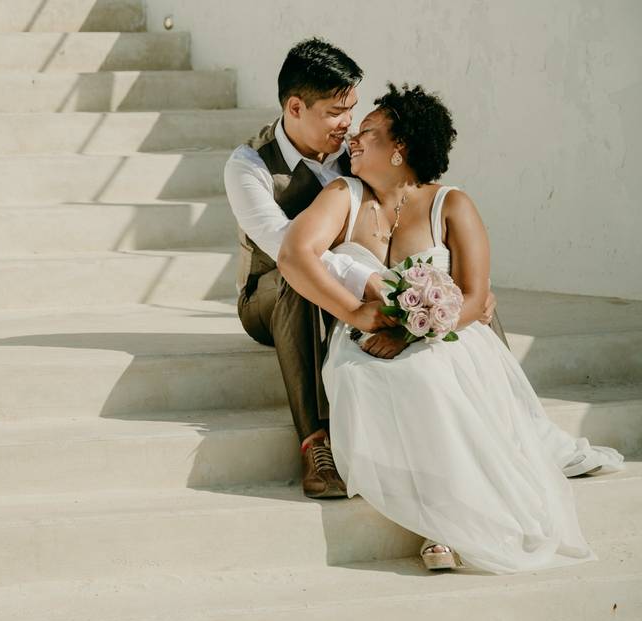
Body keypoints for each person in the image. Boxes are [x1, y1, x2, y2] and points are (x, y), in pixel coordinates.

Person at [276, 83, 625, 573]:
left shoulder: (453, 205)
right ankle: (441, 520)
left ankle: (443, 526)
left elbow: (475, 297)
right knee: (369, 376)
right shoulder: (344, 195)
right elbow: (294, 254)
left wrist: (415, 330)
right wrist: (356, 315)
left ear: (400, 149)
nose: (353, 138)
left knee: (431, 377)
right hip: (363, 344)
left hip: (442, 337)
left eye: (369, 132)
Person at [223, 37, 503, 500]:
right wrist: (368, 287)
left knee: (457, 288)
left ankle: (505, 418)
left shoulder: (354, 153)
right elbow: (289, 249)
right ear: (295, 107)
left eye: (351, 109)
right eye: (335, 111)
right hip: (269, 296)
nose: (347, 123)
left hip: (352, 288)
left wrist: (454, 296)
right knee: (297, 277)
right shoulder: (248, 166)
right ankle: (316, 444)